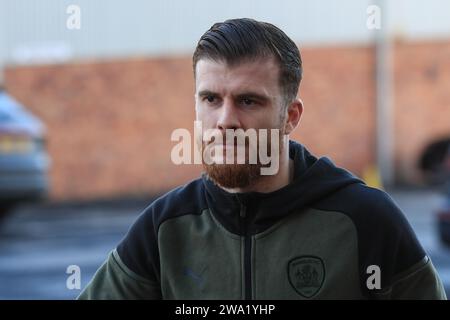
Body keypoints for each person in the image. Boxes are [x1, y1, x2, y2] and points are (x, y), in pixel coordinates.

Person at [78, 18, 446, 300]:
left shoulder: (365, 221)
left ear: (291, 116)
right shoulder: (164, 229)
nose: (225, 121)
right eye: (210, 99)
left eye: (248, 101)